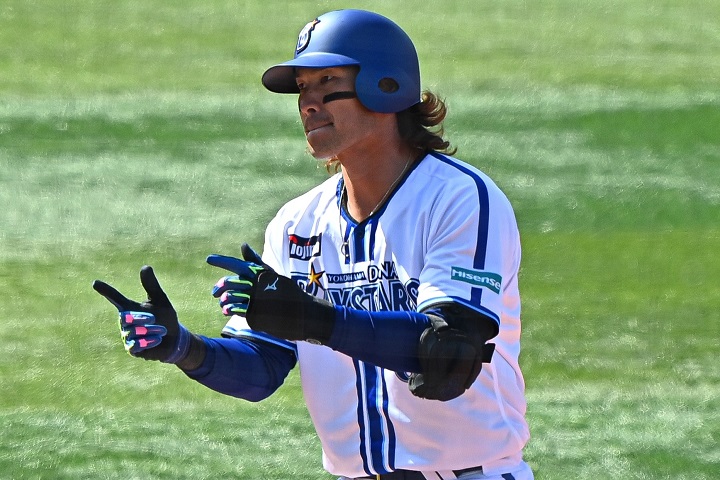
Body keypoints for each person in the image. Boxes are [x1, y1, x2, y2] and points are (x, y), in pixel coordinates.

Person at [93, 9, 533, 480]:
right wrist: (183, 347)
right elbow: (261, 369)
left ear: (386, 85)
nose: (308, 104)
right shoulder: (296, 222)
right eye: (302, 88)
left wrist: (315, 320)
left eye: (327, 82)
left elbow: (449, 354)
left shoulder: (458, 198)